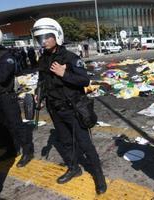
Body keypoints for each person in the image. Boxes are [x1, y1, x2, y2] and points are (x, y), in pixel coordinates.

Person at [31, 18, 107, 194]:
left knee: (86, 145)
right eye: (40, 38)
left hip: (72, 109)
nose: (43, 41)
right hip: (54, 109)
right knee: (65, 142)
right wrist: (38, 94)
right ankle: (74, 168)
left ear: (56, 35)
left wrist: (64, 73)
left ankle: (99, 177)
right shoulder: (43, 59)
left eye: (46, 37)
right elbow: (42, 80)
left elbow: (84, 80)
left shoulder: (70, 58)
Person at [0, 28, 34, 167]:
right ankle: (11, 150)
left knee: (16, 125)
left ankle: (27, 151)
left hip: (6, 97)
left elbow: (2, 76)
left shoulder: (6, 55)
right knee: (2, 127)